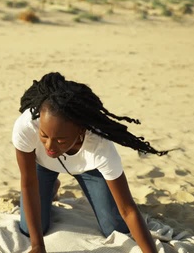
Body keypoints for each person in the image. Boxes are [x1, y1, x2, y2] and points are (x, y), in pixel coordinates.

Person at [12, 72, 170, 253]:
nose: (50, 146)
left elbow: (128, 208)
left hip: (89, 169)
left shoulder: (100, 146)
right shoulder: (26, 125)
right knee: (28, 229)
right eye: (44, 136)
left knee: (116, 228)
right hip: (43, 167)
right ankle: (51, 186)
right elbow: (29, 183)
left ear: (81, 130)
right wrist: (38, 246)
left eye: (61, 140)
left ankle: (55, 188)